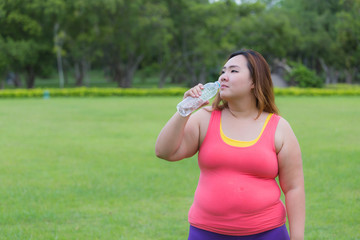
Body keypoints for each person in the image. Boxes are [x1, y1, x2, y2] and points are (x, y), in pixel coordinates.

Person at [155, 49, 305, 240]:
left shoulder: (279, 127)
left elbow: (294, 188)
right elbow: (164, 151)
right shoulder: (205, 118)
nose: (224, 76)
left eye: (233, 71)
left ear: (254, 81)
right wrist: (185, 109)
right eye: (223, 71)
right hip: (206, 232)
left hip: (267, 233)